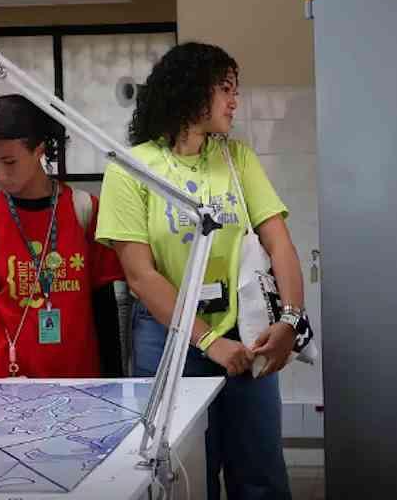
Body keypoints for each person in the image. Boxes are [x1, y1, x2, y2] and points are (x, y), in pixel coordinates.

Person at [96, 42, 302, 500]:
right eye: (225, 89)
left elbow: (279, 241)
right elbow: (140, 275)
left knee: (261, 473)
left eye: (237, 90)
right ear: (192, 91)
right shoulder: (132, 169)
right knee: (188, 476)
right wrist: (210, 341)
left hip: (245, 330)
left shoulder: (236, 158)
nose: (235, 101)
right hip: (169, 340)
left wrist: (290, 320)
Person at [0, 94, 124, 378]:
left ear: (39, 150)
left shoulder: (85, 209)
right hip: (7, 382)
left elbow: (104, 306)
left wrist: (116, 380)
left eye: (9, 161)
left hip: (80, 378)